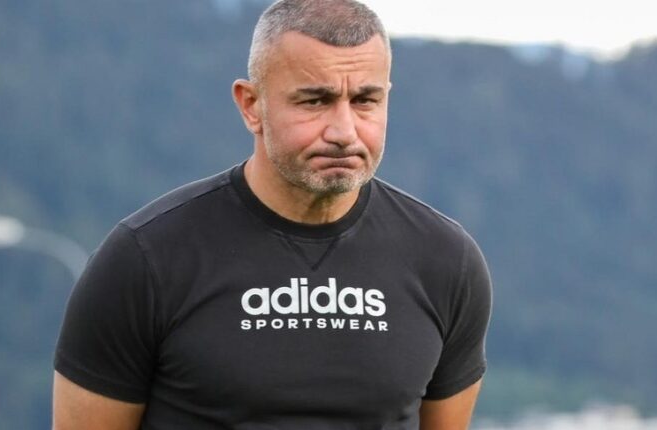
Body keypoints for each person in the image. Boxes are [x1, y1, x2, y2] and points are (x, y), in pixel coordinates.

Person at [52, 0, 493, 429]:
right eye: (314, 101)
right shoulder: (146, 258)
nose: (344, 131)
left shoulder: (446, 262)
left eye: (365, 100)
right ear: (251, 105)